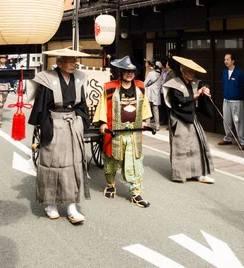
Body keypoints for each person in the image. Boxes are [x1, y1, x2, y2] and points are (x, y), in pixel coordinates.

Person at [28, 49, 90, 223]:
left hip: (73, 124)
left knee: (74, 164)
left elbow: (82, 104)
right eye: (69, 61)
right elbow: (41, 107)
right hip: (54, 123)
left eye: (74, 61)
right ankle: (51, 203)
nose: (73, 64)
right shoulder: (48, 79)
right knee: (53, 164)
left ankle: (72, 205)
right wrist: (46, 129)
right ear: (59, 63)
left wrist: (82, 122)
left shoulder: (78, 79)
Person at [93, 56, 152, 208]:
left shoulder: (140, 86)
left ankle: (136, 192)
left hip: (133, 132)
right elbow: (103, 106)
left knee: (135, 161)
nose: (129, 74)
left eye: (132, 71)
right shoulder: (110, 87)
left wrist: (144, 120)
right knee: (112, 161)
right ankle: (111, 184)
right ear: (121, 71)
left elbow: (144, 106)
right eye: (126, 71)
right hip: (115, 131)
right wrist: (103, 122)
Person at [162, 55, 215, 184]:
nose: (192, 74)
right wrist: (195, 95)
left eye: (193, 72)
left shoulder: (194, 82)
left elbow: (203, 83)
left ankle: (199, 174)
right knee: (180, 147)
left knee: (197, 145)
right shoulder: (174, 84)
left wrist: (205, 88)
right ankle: (180, 174)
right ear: (182, 70)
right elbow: (178, 101)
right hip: (179, 118)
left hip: (192, 118)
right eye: (189, 71)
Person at [218, 53, 244, 149]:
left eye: (227, 59)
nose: (225, 61)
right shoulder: (224, 72)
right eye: (224, 60)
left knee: (238, 121)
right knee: (226, 120)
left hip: (236, 101)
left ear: (233, 61)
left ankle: (243, 141)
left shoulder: (239, 72)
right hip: (226, 99)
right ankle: (227, 138)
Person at [144, 60, 162, 131]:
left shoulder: (151, 73)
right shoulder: (160, 75)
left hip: (149, 93)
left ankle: (148, 124)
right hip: (156, 94)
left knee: (148, 109)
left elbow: (145, 83)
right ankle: (157, 126)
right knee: (156, 110)